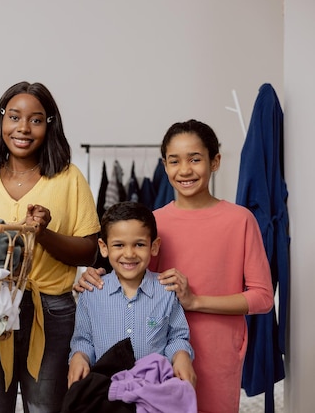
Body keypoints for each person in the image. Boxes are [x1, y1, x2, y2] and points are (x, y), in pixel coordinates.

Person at [75, 119, 274, 412]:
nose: (184, 170)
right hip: (155, 352)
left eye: (195, 159)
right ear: (164, 165)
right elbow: (133, 276)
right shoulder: (155, 223)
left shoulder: (241, 220)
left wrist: (195, 300)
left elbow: (263, 297)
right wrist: (95, 276)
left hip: (218, 349)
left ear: (215, 161)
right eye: (174, 161)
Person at [0, 81, 100, 413]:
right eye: (14, 117)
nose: (23, 128)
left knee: (46, 409)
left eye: (36, 119)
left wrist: (44, 234)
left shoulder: (69, 178)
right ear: (1, 121)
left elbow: (89, 250)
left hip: (52, 312)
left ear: (49, 125)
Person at [68, 201, 196, 389]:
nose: (129, 254)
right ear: (104, 247)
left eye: (139, 244)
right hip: (106, 392)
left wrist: (181, 356)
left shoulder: (166, 291)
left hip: (154, 390)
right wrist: (79, 356)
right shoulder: (91, 292)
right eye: (119, 245)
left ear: (154, 246)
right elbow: (83, 339)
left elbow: (176, 336)